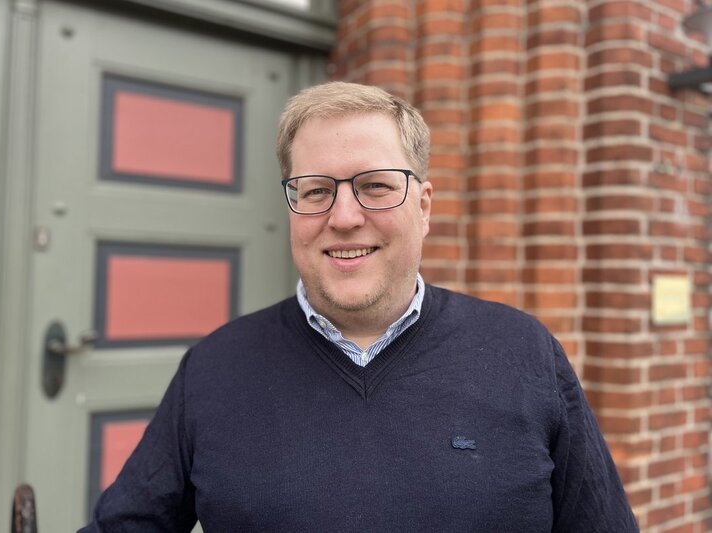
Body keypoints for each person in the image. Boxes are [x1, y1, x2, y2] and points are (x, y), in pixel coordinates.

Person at [79, 82, 639, 532]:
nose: (344, 217)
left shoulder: (524, 353)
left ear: (424, 207)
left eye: (374, 186)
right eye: (316, 190)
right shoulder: (215, 367)